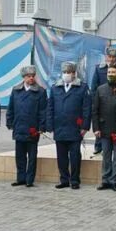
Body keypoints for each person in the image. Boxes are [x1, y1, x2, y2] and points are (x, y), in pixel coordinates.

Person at [47, 61, 91, 190]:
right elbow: (50, 107)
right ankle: (64, 179)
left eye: (69, 72)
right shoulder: (55, 88)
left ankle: (75, 180)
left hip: (75, 128)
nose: (67, 75)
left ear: (74, 73)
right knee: (61, 156)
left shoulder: (82, 87)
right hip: (59, 127)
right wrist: (50, 125)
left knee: (75, 156)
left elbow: (86, 108)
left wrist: (85, 126)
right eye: (65, 72)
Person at [92, 63, 116, 191]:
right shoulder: (100, 89)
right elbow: (95, 110)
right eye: (109, 73)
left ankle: (114, 181)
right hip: (104, 129)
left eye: (113, 72)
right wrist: (96, 128)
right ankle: (105, 180)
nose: (110, 75)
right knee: (106, 156)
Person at [6, 66, 48, 187]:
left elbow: (43, 111)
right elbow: (11, 108)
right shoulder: (16, 90)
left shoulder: (40, 91)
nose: (31, 78)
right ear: (23, 77)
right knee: (20, 156)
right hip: (19, 126)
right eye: (28, 76)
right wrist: (10, 122)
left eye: (33, 76)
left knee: (32, 156)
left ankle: (30, 180)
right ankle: (21, 178)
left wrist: (41, 127)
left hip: (32, 129)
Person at [90, 46, 116, 154]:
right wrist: (96, 99)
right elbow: (94, 86)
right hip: (102, 99)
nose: (112, 59)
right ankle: (98, 146)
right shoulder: (99, 68)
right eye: (110, 56)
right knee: (101, 123)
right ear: (106, 56)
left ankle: (111, 148)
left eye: (114, 57)